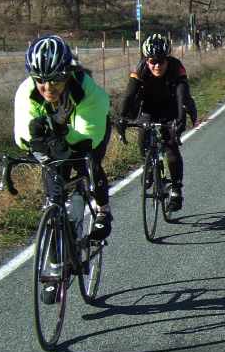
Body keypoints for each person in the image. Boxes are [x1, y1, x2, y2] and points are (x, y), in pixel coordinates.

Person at [14, 35, 113, 249]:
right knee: (54, 181)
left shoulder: (86, 90)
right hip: (58, 136)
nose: (47, 86)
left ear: (67, 74)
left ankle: (103, 210)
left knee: (87, 163)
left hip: (87, 134)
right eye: (40, 79)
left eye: (55, 77)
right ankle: (58, 254)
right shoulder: (27, 91)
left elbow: (89, 140)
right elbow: (23, 134)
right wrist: (35, 138)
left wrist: (62, 129)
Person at [114, 33, 193, 212]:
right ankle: (147, 164)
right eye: (152, 62)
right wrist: (122, 116)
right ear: (146, 60)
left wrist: (181, 119)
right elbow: (129, 95)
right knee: (143, 132)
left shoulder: (176, 68)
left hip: (172, 108)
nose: (157, 66)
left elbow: (182, 94)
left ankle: (176, 191)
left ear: (168, 59)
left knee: (171, 146)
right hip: (149, 108)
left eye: (161, 62)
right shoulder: (140, 69)